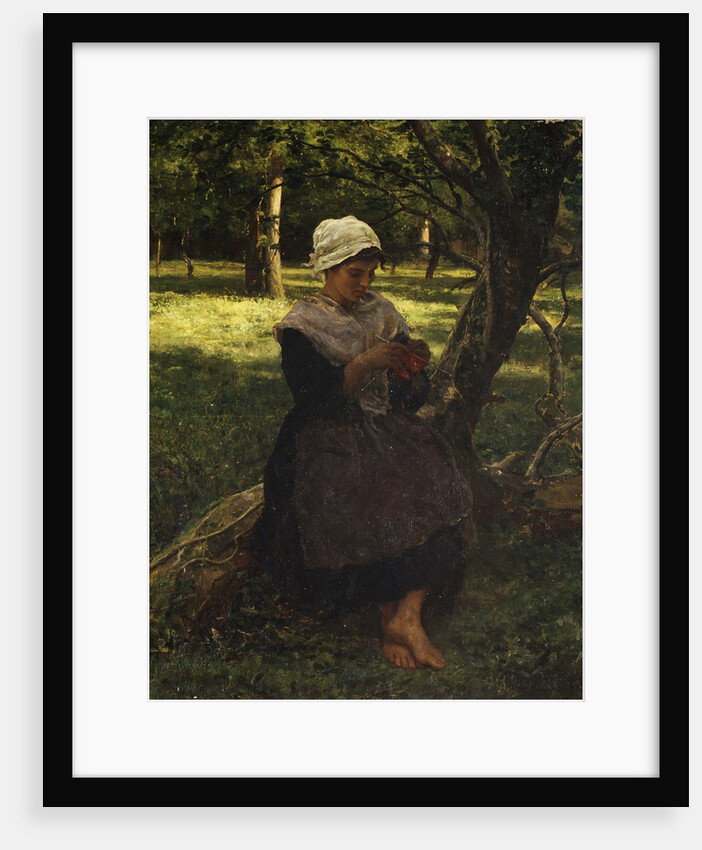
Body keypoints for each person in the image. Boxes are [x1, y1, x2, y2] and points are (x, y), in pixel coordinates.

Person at [251, 215, 473, 670]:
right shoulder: (302, 324)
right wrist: (367, 362)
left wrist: (412, 368)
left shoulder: (382, 311)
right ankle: (388, 614)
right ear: (327, 268)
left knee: (434, 484)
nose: (365, 284)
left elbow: (410, 399)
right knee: (366, 500)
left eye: (371, 273)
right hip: (326, 435)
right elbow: (312, 399)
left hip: (386, 428)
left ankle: (407, 614)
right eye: (355, 273)